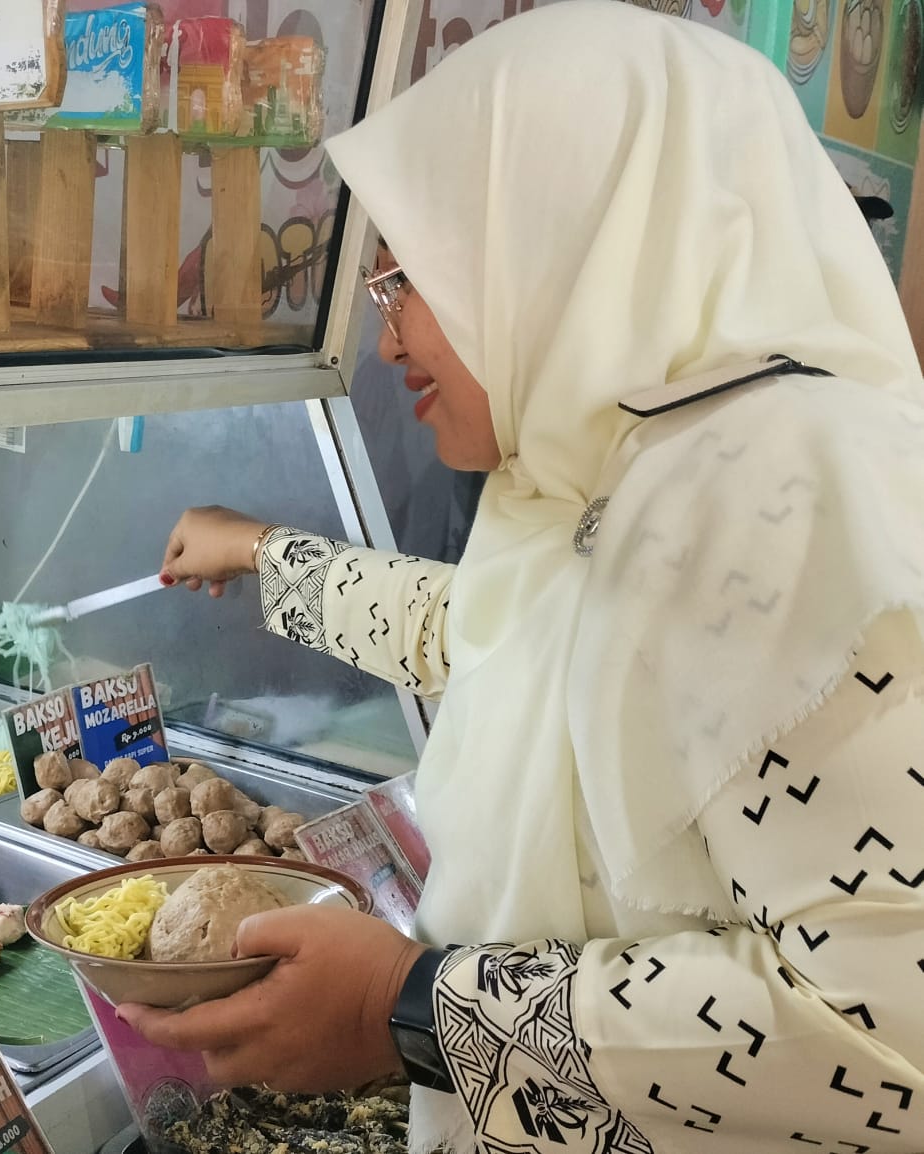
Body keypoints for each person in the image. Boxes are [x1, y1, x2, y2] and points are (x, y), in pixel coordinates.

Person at [124, 4, 924, 1152]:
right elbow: (502, 640)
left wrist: (407, 1008)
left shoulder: (784, 490)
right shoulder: (619, 459)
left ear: (570, 234)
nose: (387, 335)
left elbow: (886, 1034)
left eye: (413, 274)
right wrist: (266, 554)